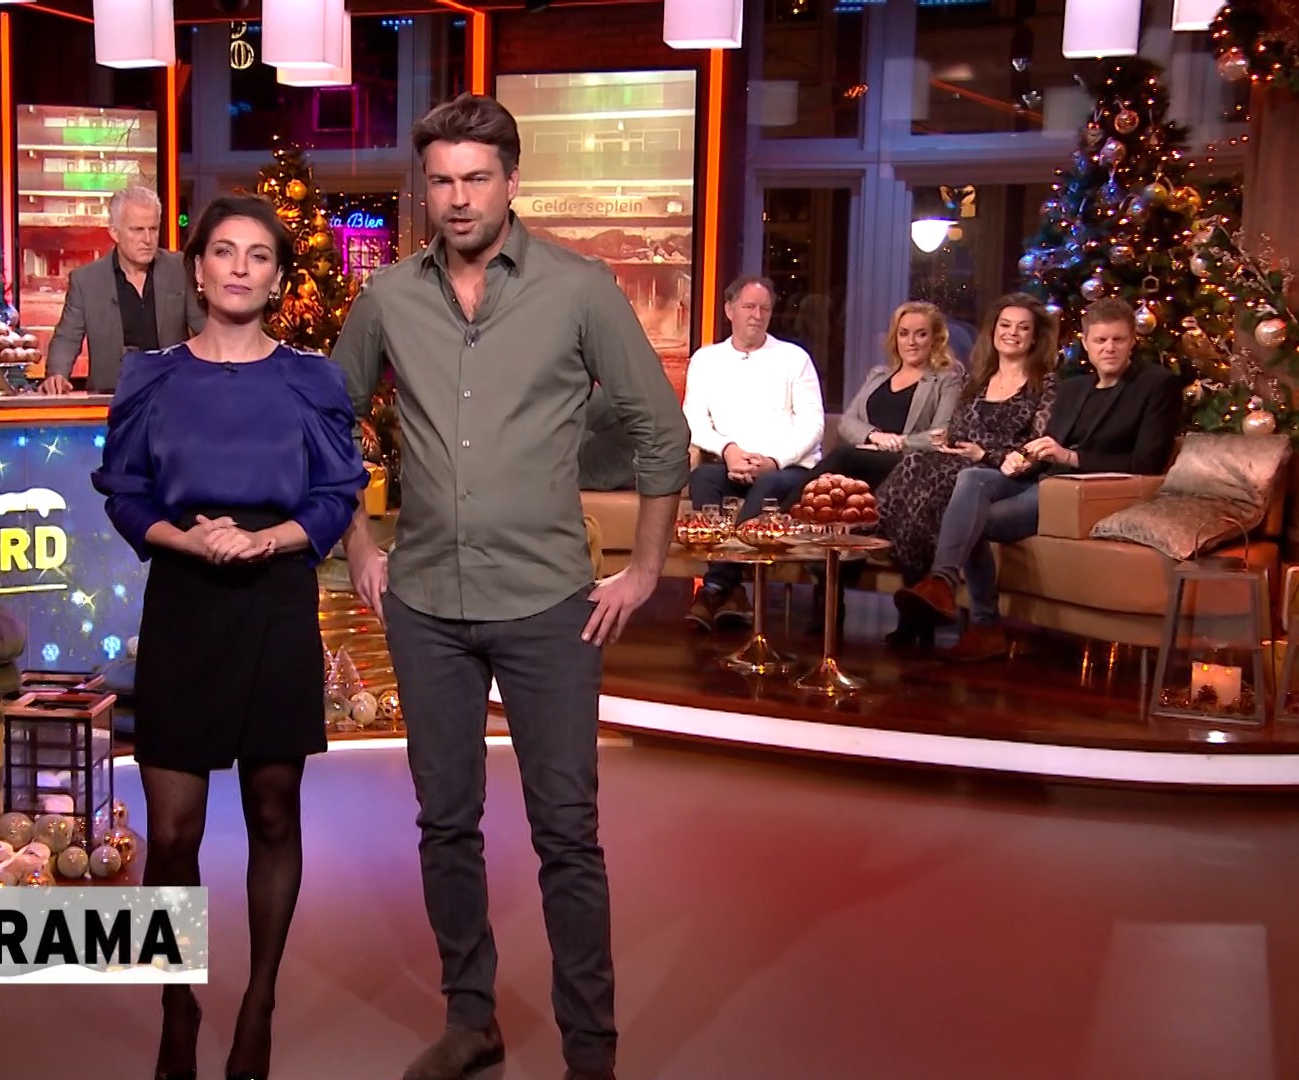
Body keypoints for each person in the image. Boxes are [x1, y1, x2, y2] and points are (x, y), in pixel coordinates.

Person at [333, 93, 689, 1080]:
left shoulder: (579, 288)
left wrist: (645, 566)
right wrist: (358, 545)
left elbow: (662, 430)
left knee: (567, 834)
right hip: (425, 608)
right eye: (442, 180)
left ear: (511, 182)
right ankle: (471, 1020)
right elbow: (325, 423)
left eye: (477, 178)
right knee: (445, 824)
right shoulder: (388, 297)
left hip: (548, 607)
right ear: (425, 188)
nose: (458, 198)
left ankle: (591, 1056)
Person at [91, 194, 366, 1080]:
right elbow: (125, 492)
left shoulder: (311, 381)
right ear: (198, 270)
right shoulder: (151, 377)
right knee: (173, 832)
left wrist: (265, 540)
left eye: (259, 255)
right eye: (223, 251)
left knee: (272, 811)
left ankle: (260, 1002)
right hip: (185, 601)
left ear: (277, 279)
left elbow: (336, 496)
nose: (240, 267)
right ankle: (177, 1003)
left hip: (275, 598)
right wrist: (192, 540)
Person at [899, 297, 1179, 661]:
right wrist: (1022, 457)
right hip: (1046, 478)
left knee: (975, 518)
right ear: (1086, 343)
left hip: (1088, 491)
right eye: (1100, 340)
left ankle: (984, 625)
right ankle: (941, 582)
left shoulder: (1157, 385)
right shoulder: (1076, 387)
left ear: (1132, 342)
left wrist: (1070, 457)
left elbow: (1147, 462)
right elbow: (1048, 443)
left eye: (1118, 340)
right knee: (972, 479)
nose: (1108, 348)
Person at [876, 293, 1058, 649]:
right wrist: (949, 443)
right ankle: (918, 582)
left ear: (1035, 337)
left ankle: (939, 582)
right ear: (993, 331)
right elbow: (959, 430)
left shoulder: (1045, 383)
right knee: (916, 464)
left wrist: (985, 453)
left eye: (1023, 328)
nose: (1012, 333)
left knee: (967, 481)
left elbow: (1037, 449)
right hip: (965, 465)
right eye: (1005, 325)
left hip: (1010, 477)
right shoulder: (979, 380)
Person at [680, 276, 824, 630]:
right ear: (729, 310)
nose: (757, 315)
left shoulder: (794, 358)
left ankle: (715, 587)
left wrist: (773, 461)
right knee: (703, 477)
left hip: (785, 469)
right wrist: (728, 450)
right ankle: (733, 592)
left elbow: (813, 426)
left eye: (764, 308)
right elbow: (693, 420)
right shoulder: (706, 359)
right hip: (729, 464)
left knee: (768, 484)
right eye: (748, 307)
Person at [42, 184, 202, 395]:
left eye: (153, 229)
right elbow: (67, 338)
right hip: (112, 397)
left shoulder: (179, 269)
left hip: (172, 395)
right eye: (137, 230)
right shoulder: (86, 280)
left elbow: (205, 327)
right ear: (114, 232)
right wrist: (57, 375)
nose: (147, 240)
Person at [815, 301, 967, 491]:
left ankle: (787, 508)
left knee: (843, 455)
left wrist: (895, 443)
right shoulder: (878, 375)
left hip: (908, 462)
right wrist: (874, 436)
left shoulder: (947, 380)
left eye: (921, 334)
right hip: (865, 456)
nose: (911, 342)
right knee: (832, 481)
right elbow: (847, 421)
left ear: (935, 339)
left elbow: (941, 435)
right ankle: (790, 507)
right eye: (903, 334)